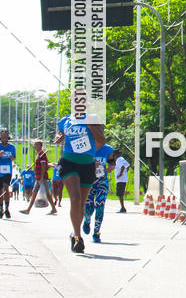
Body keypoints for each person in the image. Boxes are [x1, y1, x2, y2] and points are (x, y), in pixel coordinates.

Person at [55, 105, 105, 254]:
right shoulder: (66, 120)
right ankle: (78, 237)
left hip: (87, 163)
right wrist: (59, 138)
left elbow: (101, 140)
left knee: (82, 203)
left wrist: (90, 126)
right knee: (75, 198)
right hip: (69, 161)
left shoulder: (93, 118)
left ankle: (73, 233)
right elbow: (58, 136)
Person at [83, 143, 115, 242]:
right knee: (89, 207)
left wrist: (110, 168)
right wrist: (92, 165)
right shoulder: (86, 147)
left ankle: (96, 232)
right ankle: (87, 220)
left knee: (100, 205)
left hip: (102, 181)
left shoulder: (108, 149)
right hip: (89, 180)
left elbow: (112, 163)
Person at [20, 140, 57, 215]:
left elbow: (43, 166)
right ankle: (28, 209)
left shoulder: (42, 154)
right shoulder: (38, 154)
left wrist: (41, 177)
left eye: (36, 145)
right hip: (38, 177)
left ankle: (53, 208)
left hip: (42, 177)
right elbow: (44, 164)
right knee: (35, 193)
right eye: (34, 145)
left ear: (40, 145)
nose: (35, 146)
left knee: (46, 193)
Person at [0, 129, 16, 218]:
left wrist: (11, 158)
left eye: (6, 137)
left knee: (6, 187)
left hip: (7, 170)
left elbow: (13, 157)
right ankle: (0, 208)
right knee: (0, 190)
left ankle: (7, 208)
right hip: (0, 170)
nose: (4, 139)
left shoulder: (11, 147)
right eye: (2, 137)